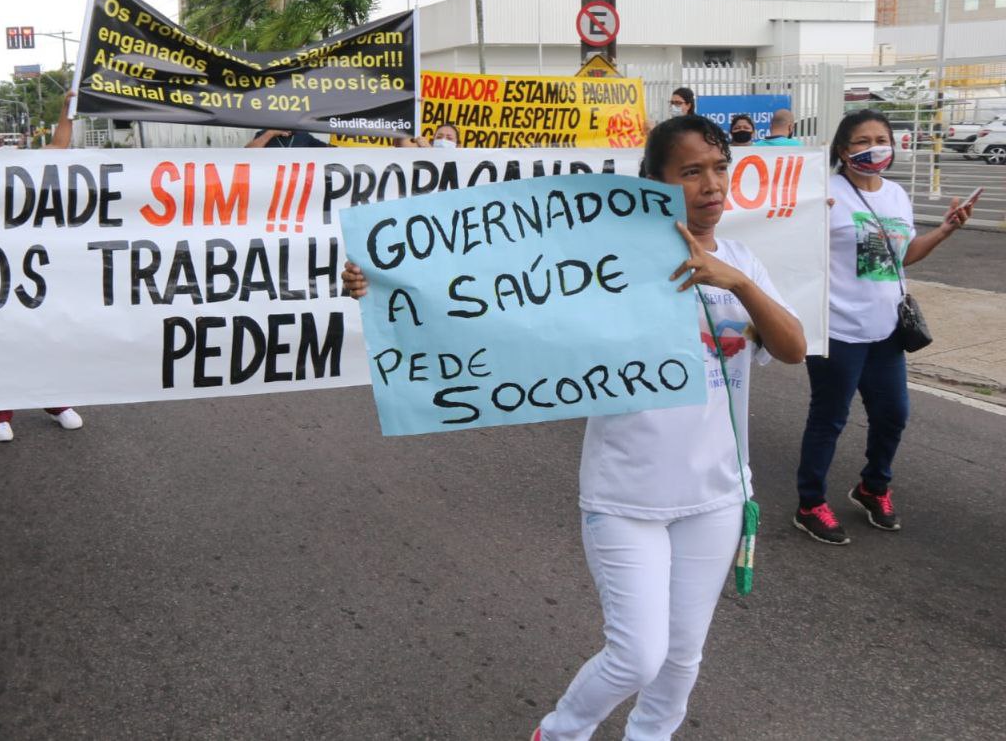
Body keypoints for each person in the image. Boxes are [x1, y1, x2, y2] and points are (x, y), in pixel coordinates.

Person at [342, 115, 806, 741]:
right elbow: (497, 302)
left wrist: (741, 284)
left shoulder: (742, 261)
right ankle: (560, 732)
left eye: (719, 168)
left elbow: (794, 346)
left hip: (717, 496)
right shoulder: (607, 260)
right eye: (690, 171)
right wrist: (384, 285)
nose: (710, 185)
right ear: (656, 183)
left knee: (681, 656)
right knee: (637, 654)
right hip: (626, 498)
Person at [793, 109, 972, 545]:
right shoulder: (825, 193)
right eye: (861, 140)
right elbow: (793, 250)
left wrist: (945, 230)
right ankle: (810, 502)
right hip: (837, 330)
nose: (874, 146)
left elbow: (902, 256)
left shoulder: (895, 194)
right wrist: (805, 214)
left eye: (882, 137)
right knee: (829, 419)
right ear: (842, 149)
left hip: (887, 330)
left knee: (894, 415)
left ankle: (872, 488)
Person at [0, 93, 84, 443]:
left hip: (31, 268)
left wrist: (65, 110)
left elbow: (59, 144)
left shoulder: (22, 164)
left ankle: (55, 402)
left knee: (42, 335)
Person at [245, 129, 328, 148]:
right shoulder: (265, 133)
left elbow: (328, 150)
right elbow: (248, 153)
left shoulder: (304, 135)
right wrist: (270, 133)